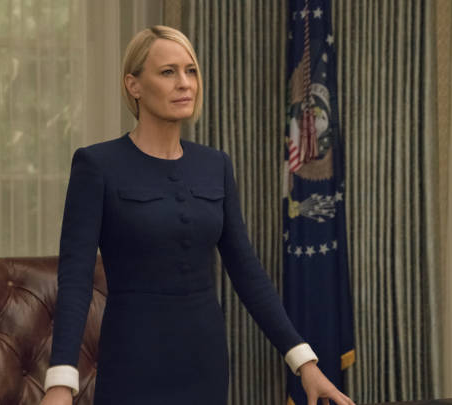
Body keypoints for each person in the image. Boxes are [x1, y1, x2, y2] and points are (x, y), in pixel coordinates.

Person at [40, 25, 355, 405]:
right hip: (133, 360)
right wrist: (61, 381)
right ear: (133, 85)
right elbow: (75, 279)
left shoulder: (215, 165)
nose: (185, 83)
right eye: (168, 72)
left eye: (191, 71)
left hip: (206, 360)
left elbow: (248, 272)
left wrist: (304, 362)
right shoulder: (97, 165)